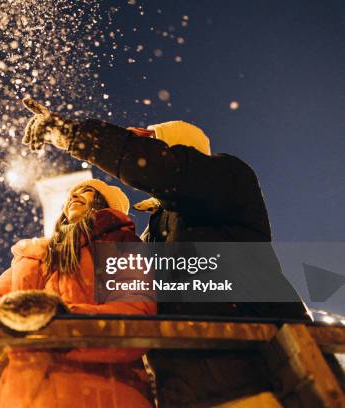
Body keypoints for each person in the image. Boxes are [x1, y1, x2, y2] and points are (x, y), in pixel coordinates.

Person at [20, 98, 310, 406]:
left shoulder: (226, 178)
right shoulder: (152, 233)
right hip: (189, 388)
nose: (140, 144)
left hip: (261, 374)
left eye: (152, 142)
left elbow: (161, 169)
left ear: (180, 149)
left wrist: (75, 135)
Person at [0, 179, 156, 407]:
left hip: (101, 393)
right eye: (72, 193)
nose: (75, 195)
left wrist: (58, 320)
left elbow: (137, 316)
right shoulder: (33, 256)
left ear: (105, 206)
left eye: (88, 191)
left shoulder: (119, 244)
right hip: (24, 395)